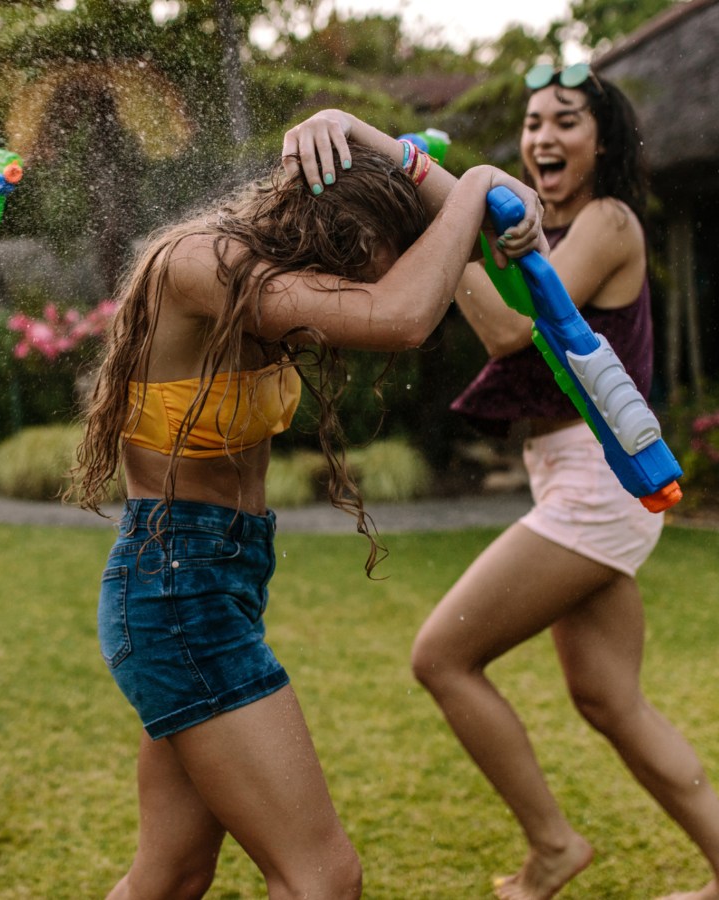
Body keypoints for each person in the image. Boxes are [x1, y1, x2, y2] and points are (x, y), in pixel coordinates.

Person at [72, 108, 544, 899]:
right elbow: (400, 317)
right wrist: (487, 182)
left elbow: (418, 282)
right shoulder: (205, 263)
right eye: (368, 264)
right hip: (178, 590)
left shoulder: (263, 269)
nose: (363, 286)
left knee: (171, 873)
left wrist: (357, 128)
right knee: (323, 878)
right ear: (338, 226)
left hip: (213, 585)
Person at [410, 64, 719, 900]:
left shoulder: (607, 222)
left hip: (598, 479)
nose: (543, 137)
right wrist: (466, 227)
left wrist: (447, 222)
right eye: (534, 122)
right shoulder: (537, 229)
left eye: (567, 121)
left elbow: (509, 334)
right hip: (570, 476)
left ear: (603, 140)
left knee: (442, 658)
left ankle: (552, 848)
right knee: (612, 700)